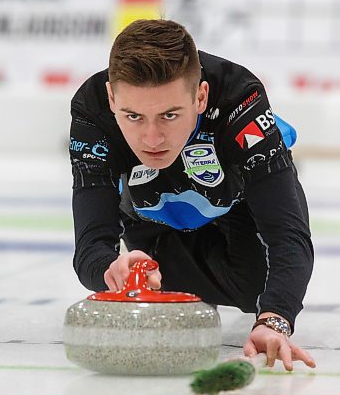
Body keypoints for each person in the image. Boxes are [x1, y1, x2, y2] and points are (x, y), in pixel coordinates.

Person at [69, 19, 316, 371]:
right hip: (153, 212)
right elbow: (91, 243)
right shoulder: (92, 110)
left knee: (258, 291)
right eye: (133, 116)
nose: (152, 138)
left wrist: (273, 320)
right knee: (155, 287)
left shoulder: (239, 98)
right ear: (111, 99)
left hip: (237, 201)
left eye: (170, 115)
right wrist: (112, 271)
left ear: (200, 96)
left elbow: (287, 234)